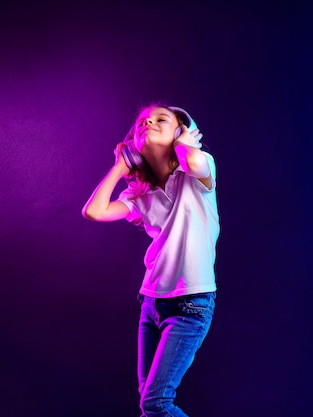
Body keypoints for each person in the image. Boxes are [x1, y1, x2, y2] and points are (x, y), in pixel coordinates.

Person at [82, 103, 220, 417]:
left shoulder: (196, 173)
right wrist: (120, 166)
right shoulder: (138, 194)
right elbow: (94, 211)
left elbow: (195, 160)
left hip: (191, 305)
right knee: (148, 403)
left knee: (156, 404)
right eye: (143, 121)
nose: (149, 123)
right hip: (152, 304)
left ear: (181, 131)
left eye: (161, 120)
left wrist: (184, 144)